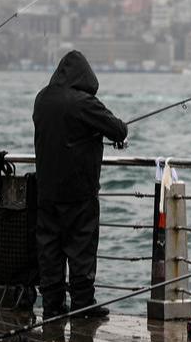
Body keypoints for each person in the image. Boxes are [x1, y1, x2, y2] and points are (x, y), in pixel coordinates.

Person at [33, 50, 128, 318]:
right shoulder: (83, 102)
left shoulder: (42, 99)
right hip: (78, 192)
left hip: (47, 191)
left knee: (49, 249)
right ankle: (83, 304)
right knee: (81, 248)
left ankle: (52, 305)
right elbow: (119, 129)